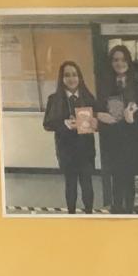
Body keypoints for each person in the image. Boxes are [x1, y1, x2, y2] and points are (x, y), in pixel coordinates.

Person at [96, 43, 138, 216]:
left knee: (129, 181)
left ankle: (129, 213)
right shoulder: (104, 86)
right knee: (116, 183)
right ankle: (117, 215)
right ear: (111, 63)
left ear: (129, 62)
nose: (119, 63)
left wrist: (133, 120)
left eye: (123, 59)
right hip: (112, 141)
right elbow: (96, 110)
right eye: (115, 60)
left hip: (132, 141)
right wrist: (99, 115)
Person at [44, 61, 100, 215]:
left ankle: (89, 213)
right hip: (66, 150)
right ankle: (71, 214)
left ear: (79, 77)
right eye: (67, 75)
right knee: (71, 185)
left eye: (74, 75)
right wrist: (66, 124)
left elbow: (98, 120)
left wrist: (96, 123)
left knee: (87, 185)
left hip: (85, 150)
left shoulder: (88, 97)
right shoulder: (54, 99)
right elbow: (47, 124)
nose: (71, 78)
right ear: (61, 78)